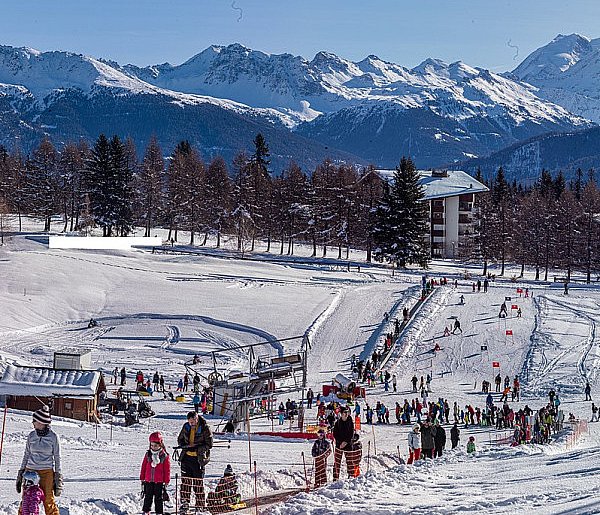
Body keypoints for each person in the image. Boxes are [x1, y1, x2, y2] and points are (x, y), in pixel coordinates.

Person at [16, 405, 62, 515]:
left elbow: (57, 457)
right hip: (30, 471)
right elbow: (26, 455)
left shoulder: (53, 437)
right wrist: (21, 473)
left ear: (41, 422)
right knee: (27, 499)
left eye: (34, 421)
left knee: (48, 500)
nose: (33, 423)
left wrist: (58, 477)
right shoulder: (31, 436)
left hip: (46, 472)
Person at [177, 411, 213, 513]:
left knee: (198, 483)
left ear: (197, 419)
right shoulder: (186, 427)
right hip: (186, 458)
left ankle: (200, 504)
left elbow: (209, 444)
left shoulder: (205, 428)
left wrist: (198, 448)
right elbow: (180, 439)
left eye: (193, 422)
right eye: (190, 422)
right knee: (186, 483)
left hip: (198, 459)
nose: (191, 424)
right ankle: (185, 503)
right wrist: (184, 445)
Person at [140, 431, 171, 515]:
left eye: (156, 445)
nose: (153, 447)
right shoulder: (148, 454)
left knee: (158, 497)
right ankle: (146, 510)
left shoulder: (164, 456)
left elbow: (167, 469)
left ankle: (159, 512)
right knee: (148, 496)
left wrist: (166, 480)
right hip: (148, 480)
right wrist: (142, 477)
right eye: (152, 445)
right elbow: (143, 466)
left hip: (159, 481)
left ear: (160, 445)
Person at [332, 406, 354, 481]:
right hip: (339, 445)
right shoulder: (338, 422)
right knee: (337, 462)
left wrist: (346, 442)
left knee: (350, 461)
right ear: (341, 414)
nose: (346, 414)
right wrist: (340, 442)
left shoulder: (350, 421)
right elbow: (335, 434)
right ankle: (335, 478)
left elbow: (351, 433)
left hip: (348, 444)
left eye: (347, 412)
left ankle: (351, 477)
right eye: (345, 412)